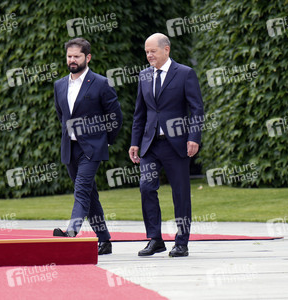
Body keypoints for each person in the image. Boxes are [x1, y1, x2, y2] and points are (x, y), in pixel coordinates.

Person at [129, 33, 204, 257]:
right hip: (150, 145)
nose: (149, 55)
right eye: (146, 52)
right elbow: (139, 113)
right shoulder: (143, 76)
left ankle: (182, 242)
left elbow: (197, 109)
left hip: (177, 144)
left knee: (180, 194)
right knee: (146, 188)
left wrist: (194, 137)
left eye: (153, 51)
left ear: (166, 50)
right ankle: (155, 239)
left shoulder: (184, 74)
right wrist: (135, 143)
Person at [53, 38, 123, 255]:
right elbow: (61, 114)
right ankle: (104, 240)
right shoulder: (60, 84)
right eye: (69, 56)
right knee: (90, 195)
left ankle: (71, 232)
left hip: (92, 148)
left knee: (81, 190)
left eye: (77, 56)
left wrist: (105, 140)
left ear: (87, 57)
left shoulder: (101, 83)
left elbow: (115, 117)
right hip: (70, 148)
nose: (72, 60)